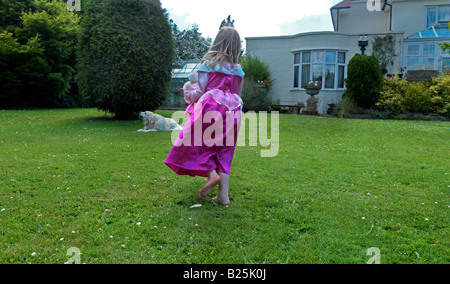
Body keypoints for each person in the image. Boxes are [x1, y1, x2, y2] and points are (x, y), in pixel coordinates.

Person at [165, 27, 245, 206]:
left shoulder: (208, 65)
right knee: (225, 152)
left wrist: (188, 93)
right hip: (234, 111)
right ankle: (223, 196)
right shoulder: (238, 71)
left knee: (199, 143)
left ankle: (211, 174)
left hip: (211, 107)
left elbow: (201, 92)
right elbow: (238, 93)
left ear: (217, 41)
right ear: (236, 47)